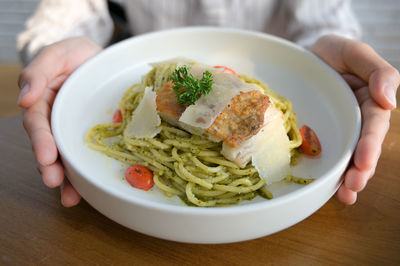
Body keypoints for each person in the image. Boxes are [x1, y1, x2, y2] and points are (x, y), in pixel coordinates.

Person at [16, 0, 399, 207]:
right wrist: (54, 51)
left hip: (253, 89)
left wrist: (327, 60)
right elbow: (65, 15)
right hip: (162, 82)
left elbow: (323, 18)